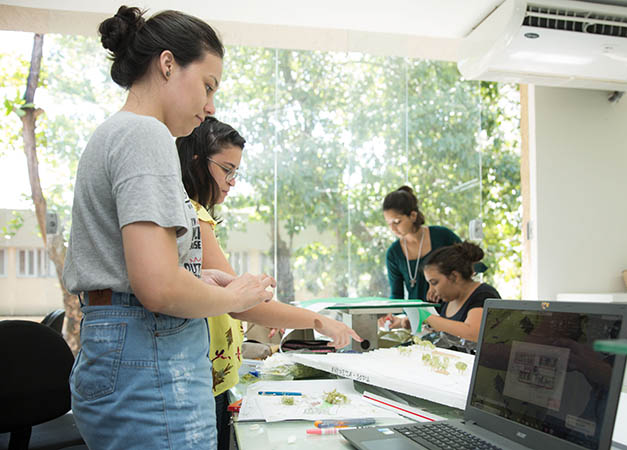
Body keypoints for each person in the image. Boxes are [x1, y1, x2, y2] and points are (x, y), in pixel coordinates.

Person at [62, 6, 273, 449]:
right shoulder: (147, 135)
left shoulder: (114, 132)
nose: (210, 105)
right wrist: (231, 296)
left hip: (118, 345)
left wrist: (197, 280)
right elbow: (156, 287)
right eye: (208, 86)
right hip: (149, 356)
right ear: (167, 64)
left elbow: (142, 267)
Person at [176, 116, 362, 450]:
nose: (232, 181)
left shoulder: (198, 216)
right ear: (196, 161)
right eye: (226, 169)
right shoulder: (196, 218)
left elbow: (229, 296)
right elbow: (245, 308)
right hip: (206, 381)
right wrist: (319, 321)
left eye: (237, 172)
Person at [381, 241, 501, 344]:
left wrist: (427, 317)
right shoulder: (449, 300)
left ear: (454, 276)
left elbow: (472, 334)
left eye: (434, 282)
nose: (430, 291)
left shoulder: (484, 295)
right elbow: (445, 329)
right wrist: (406, 322)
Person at [382, 186, 461, 302]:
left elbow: (469, 265)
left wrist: (438, 285)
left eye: (397, 222)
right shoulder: (393, 253)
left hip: (450, 311)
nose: (393, 228)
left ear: (413, 216)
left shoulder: (442, 236)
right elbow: (396, 294)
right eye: (389, 223)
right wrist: (390, 315)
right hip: (416, 316)